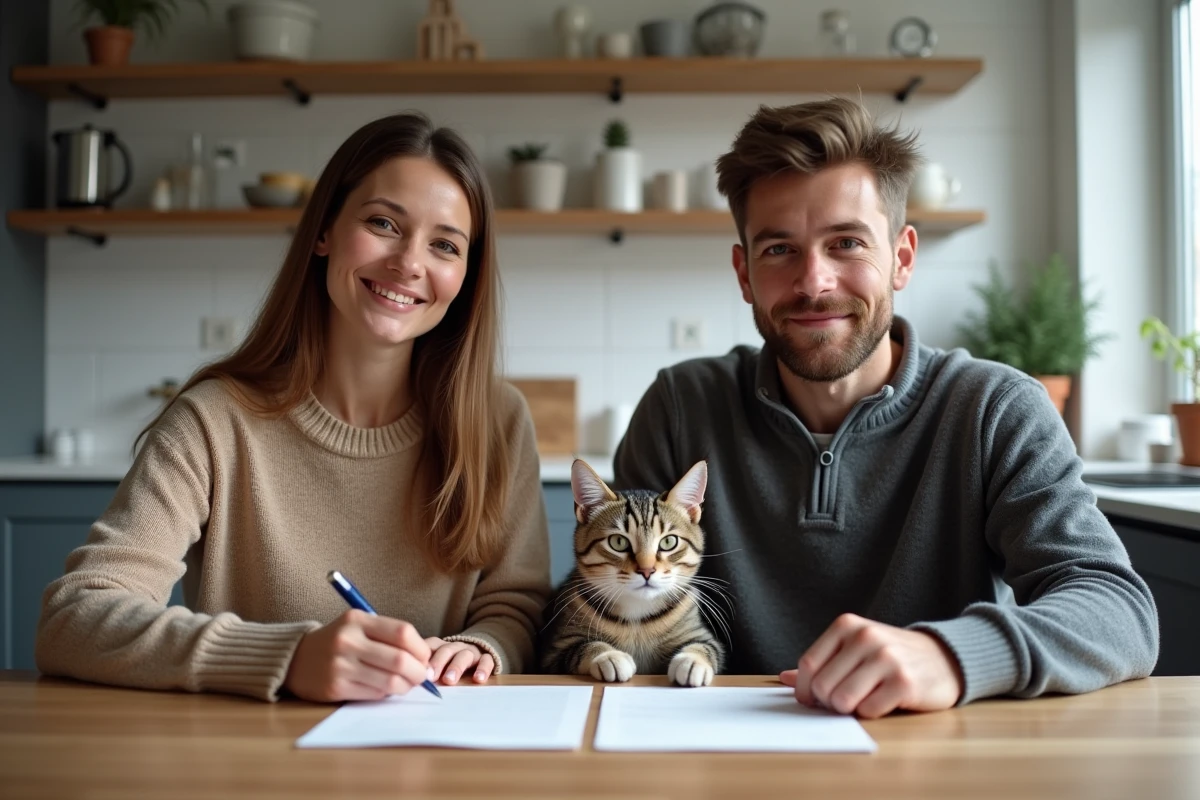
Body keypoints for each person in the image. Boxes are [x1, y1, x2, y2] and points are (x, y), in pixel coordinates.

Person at [613, 97, 1158, 719]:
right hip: (722, 758)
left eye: (846, 243)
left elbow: (1117, 609)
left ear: (901, 258)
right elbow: (605, 603)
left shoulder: (995, 409)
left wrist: (951, 656)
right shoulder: (681, 407)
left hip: (932, 763)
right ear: (744, 273)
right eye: (778, 250)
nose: (814, 282)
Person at [36, 113, 551, 703]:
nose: (410, 263)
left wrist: (485, 645)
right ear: (325, 231)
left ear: (464, 275)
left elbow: (517, 608)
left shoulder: (499, 422)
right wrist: (287, 657)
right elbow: (74, 617)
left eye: (444, 245)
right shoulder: (213, 421)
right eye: (384, 223)